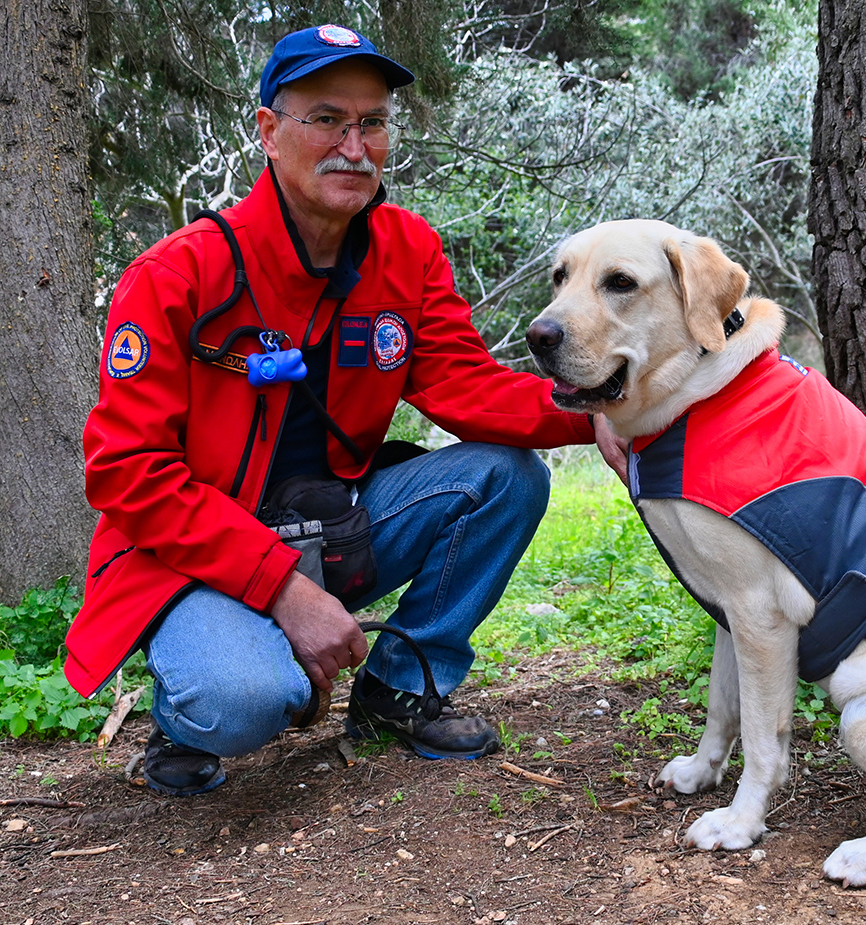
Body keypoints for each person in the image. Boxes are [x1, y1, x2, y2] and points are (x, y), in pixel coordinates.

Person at [64, 24, 623, 795]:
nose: (353, 146)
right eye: (326, 119)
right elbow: (129, 474)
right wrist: (284, 591)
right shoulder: (176, 275)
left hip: (331, 522)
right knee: (246, 701)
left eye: (371, 123)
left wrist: (598, 409)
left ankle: (397, 688)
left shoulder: (407, 249)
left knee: (505, 476)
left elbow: (465, 385)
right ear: (269, 130)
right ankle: (185, 710)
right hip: (196, 556)